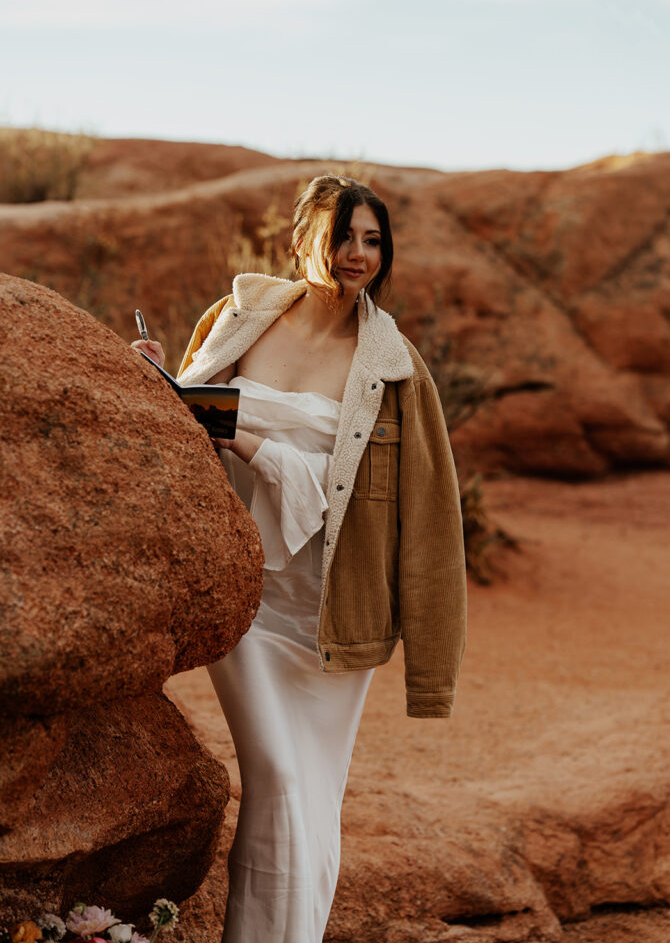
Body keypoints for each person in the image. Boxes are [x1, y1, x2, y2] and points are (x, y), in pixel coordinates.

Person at [131, 174, 467, 943]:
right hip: (245, 601)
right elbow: (186, 420)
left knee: (308, 796)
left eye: (372, 241)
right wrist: (150, 375)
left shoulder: (393, 366)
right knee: (280, 782)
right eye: (342, 235)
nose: (356, 255)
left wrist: (431, 663)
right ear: (303, 238)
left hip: (329, 616)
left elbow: (429, 515)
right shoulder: (240, 317)